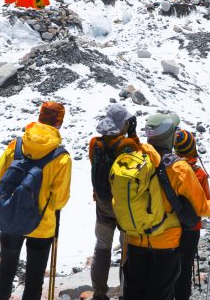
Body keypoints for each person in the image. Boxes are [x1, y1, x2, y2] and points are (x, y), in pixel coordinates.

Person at [123, 112, 210, 300]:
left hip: (135, 239)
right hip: (165, 242)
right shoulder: (178, 168)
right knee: (161, 292)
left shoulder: (134, 157)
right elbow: (202, 208)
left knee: (135, 292)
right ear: (169, 136)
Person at [0, 102, 72, 300]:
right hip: (42, 225)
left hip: (11, 219)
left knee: (6, 270)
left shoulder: (16, 145)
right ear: (59, 122)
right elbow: (60, 200)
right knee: (35, 277)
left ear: (39, 117)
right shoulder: (61, 157)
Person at [89, 104, 140, 300]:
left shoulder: (95, 143)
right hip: (123, 204)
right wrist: (133, 134)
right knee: (126, 247)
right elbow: (140, 159)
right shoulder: (127, 145)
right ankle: (125, 291)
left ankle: (99, 292)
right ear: (122, 123)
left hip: (102, 202)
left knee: (102, 245)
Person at [173, 129, 210, 300]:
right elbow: (205, 204)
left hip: (170, 227)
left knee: (169, 268)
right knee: (185, 271)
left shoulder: (170, 168)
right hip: (191, 230)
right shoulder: (198, 173)